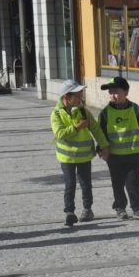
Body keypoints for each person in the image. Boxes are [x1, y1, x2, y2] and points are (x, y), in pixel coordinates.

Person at [50, 80, 109, 227]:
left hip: (84, 156)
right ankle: (69, 212)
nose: (80, 98)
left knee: (86, 184)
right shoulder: (56, 114)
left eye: (80, 94)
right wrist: (77, 128)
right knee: (70, 184)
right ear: (66, 97)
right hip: (67, 158)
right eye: (76, 95)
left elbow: (96, 129)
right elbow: (59, 134)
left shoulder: (83, 111)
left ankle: (87, 210)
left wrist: (104, 146)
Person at [98, 76, 139, 220]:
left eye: (116, 92)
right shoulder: (105, 113)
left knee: (133, 183)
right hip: (114, 156)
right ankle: (120, 207)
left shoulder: (135, 109)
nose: (112, 95)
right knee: (117, 184)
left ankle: (138, 209)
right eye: (110, 92)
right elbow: (100, 134)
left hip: (133, 154)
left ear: (126, 92)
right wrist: (101, 149)